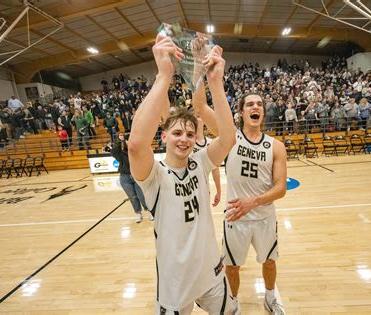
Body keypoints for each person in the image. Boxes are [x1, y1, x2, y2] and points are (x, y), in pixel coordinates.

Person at [128, 34, 239, 314]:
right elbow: (136, 145)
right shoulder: (154, 175)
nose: (184, 139)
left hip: (211, 271)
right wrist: (163, 75)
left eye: (190, 134)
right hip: (175, 282)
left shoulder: (199, 162)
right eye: (177, 132)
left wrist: (215, 82)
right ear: (164, 136)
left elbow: (227, 138)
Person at [194, 92, 288, 314]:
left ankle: (271, 295)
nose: (255, 107)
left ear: (263, 112)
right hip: (236, 218)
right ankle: (233, 302)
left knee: (270, 262)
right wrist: (199, 67)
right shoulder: (230, 137)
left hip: (265, 218)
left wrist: (253, 202)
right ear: (241, 112)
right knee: (233, 267)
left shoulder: (276, 146)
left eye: (259, 104)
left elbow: (281, 188)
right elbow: (199, 105)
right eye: (249, 104)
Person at [111, 133, 151, 222]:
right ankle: (138, 213)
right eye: (127, 140)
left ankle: (149, 211)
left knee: (142, 196)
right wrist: (118, 141)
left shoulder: (139, 152)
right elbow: (113, 152)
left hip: (137, 176)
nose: (129, 142)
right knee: (132, 197)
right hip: (125, 178)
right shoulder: (121, 153)